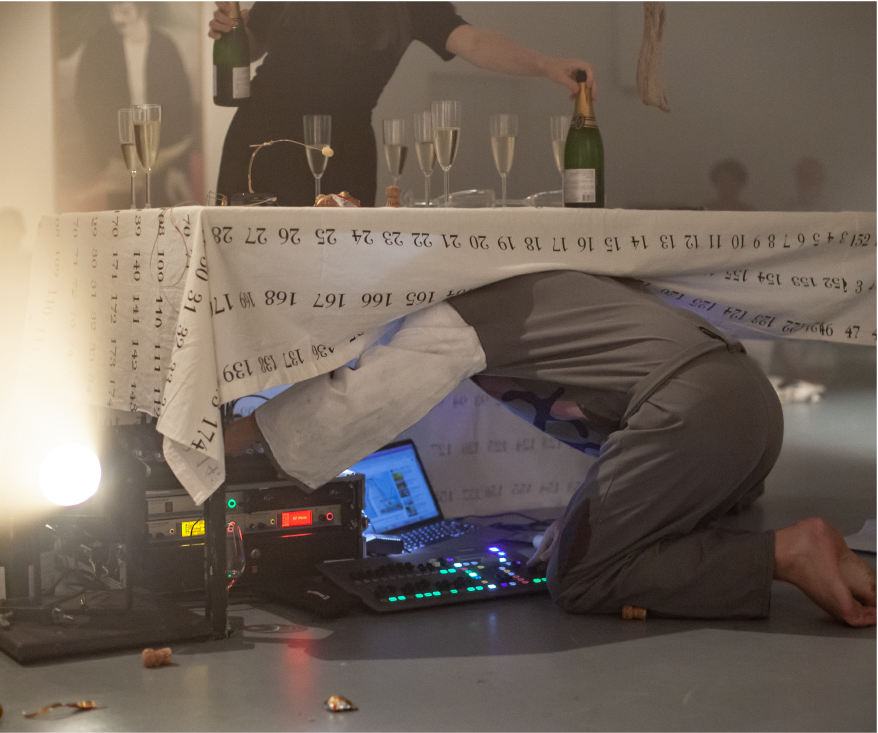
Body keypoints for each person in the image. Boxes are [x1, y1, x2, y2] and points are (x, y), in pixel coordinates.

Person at [224, 270, 876, 628]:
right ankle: (839, 567)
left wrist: (232, 438)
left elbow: (356, 401)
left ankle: (790, 553)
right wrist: (583, 515)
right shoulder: (552, 288)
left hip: (697, 411)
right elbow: (604, 411)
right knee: (608, 539)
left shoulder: (455, 316)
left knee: (583, 575)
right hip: (751, 408)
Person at [208, 2, 595, 206]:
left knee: (341, 284)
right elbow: (256, 41)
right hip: (262, 146)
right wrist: (233, 29)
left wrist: (546, 65)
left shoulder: (409, 3)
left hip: (345, 151)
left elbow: (474, 42)